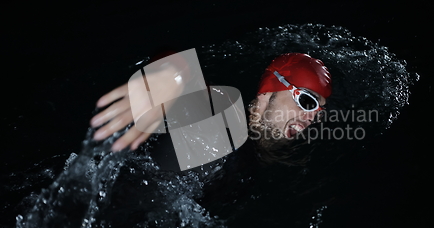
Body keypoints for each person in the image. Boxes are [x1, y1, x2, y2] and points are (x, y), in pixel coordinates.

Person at [90, 52, 332, 159]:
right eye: (307, 101)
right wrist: (170, 76)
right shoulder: (225, 116)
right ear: (266, 94)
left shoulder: (255, 150)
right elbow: (184, 68)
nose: (311, 117)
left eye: (318, 112)